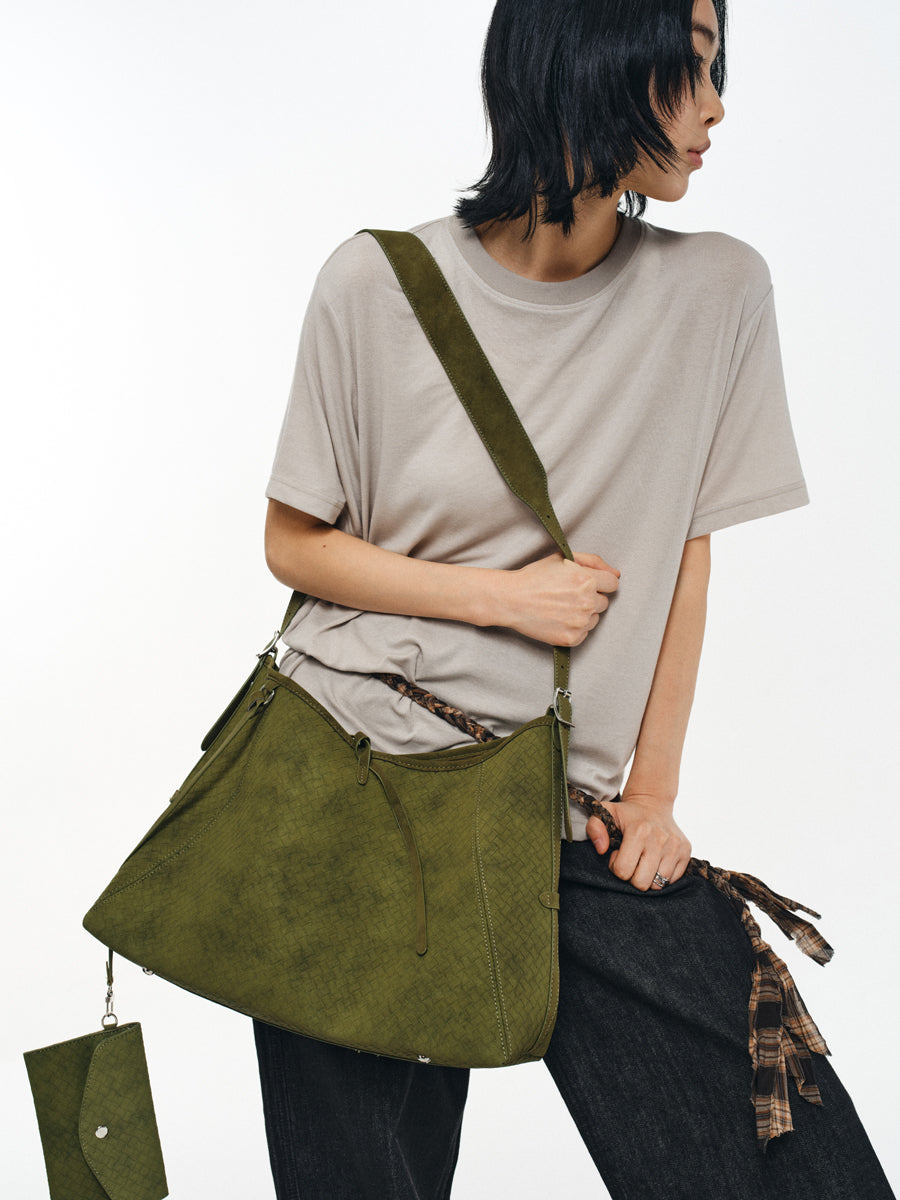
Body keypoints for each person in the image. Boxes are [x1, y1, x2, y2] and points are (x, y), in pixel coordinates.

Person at [254, 1, 895, 1196]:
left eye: (718, 69)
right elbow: (295, 545)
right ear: (590, 55)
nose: (716, 107)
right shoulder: (374, 283)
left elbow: (688, 554)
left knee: (790, 1161)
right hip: (357, 786)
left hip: (568, 813)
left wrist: (653, 794)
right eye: (690, 67)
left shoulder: (718, 292)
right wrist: (504, 600)